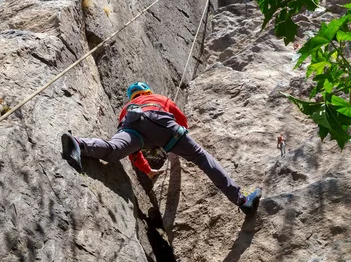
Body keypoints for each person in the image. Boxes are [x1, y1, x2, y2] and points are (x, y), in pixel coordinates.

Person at [61, 82, 262, 215]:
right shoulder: (159, 98)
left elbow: (133, 154)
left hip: (131, 125)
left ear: (132, 97)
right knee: (201, 158)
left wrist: (147, 170)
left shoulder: (127, 108)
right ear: (147, 92)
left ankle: (78, 144)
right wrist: (176, 141)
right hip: (161, 122)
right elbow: (182, 121)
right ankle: (242, 201)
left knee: (113, 149)